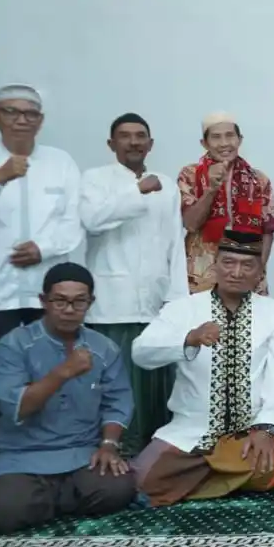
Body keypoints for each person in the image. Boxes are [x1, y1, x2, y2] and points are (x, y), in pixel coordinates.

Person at [132, 231, 274, 507]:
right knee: (141, 481)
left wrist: (266, 430)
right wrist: (188, 339)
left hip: (248, 432)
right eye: (229, 262)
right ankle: (220, 477)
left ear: (260, 272)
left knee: (270, 470)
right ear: (214, 264)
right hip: (191, 430)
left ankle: (192, 482)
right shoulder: (183, 309)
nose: (237, 272)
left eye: (247, 265)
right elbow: (141, 353)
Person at [0, 264, 135, 534]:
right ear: (43, 301)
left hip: (81, 454)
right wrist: (63, 372)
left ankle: (45, 501)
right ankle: (52, 499)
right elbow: (16, 408)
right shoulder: (14, 345)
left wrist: (108, 445)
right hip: (22, 457)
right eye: (60, 301)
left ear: (90, 302)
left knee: (119, 489)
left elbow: (117, 402)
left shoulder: (103, 348)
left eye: (79, 301)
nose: (69, 309)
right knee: (5, 510)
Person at [80, 113, 188, 452]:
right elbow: (91, 220)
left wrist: (177, 298)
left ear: (150, 144)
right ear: (111, 143)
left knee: (157, 381)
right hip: (112, 302)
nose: (133, 142)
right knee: (116, 378)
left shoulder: (166, 184)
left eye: (140, 136)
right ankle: (115, 446)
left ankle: (153, 447)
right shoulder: (95, 180)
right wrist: (136, 191)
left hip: (156, 300)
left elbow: (176, 242)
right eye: (125, 136)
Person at [0, 84, 83, 355]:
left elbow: (75, 220)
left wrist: (43, 249)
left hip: (48, 293)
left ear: (40, 121)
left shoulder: (61, 162)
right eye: (11, 112)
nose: (22, 120)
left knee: (51, 369)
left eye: (30, 114)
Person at [178, 112, 274, 295]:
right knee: (204, 315)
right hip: (203, 277)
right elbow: (190, 223)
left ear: (239, 140)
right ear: (204, 143)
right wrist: (211, 189)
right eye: (216, 137)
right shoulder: (190, 175)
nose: (224, 143)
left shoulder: (258, 179)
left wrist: (257, 270)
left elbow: (268, 230)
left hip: (248, 276)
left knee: (252, 315)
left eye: (230, 136)